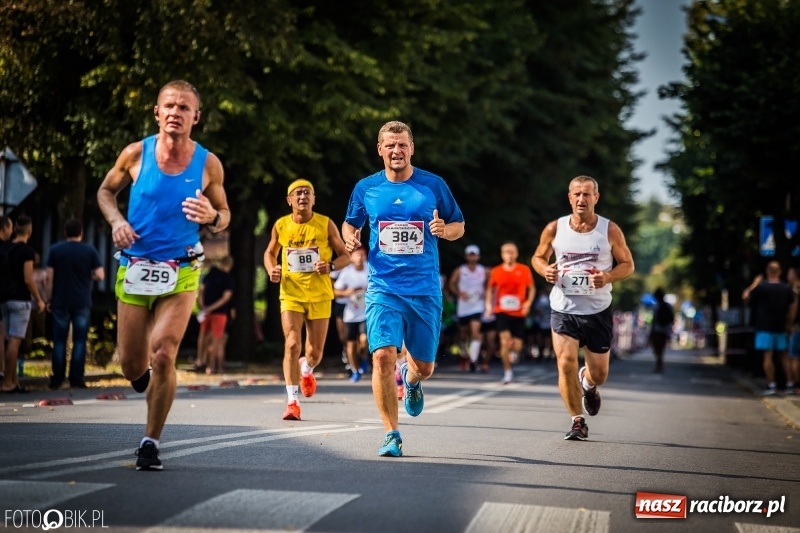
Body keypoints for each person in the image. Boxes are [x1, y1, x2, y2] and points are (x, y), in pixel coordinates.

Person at [97, 80, 230, 470]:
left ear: (196, 117)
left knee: (164, 352)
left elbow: (225, 215)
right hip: (135, 266)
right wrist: (116, 220)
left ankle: (150, 442)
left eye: (184, 107)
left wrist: (213, 217)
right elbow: (106, 192)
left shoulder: (208, 163)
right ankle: (144, 381)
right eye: (169, 106)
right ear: (157, 112)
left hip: (182, 269)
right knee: (132, 365)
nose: (175, 112)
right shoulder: (136, 153)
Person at [342, 120, 465, 457]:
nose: (396, 151)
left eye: (402, 145)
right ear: (380, 150)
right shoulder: (366, 188)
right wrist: (349, 238)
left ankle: (411, 380)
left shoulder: (432, 185)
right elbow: (349, 224)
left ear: (412, 148)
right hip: (383, 287)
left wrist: (444, 229)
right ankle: (391, 434)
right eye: (390, 145)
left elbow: (459, 225)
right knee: (382, 356)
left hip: (424, 288)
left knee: (424, 366)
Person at [531, 175, 635, 441]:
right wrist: (546, 271)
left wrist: (608, 277)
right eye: (577, 194)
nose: (581, 199)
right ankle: (578, 421)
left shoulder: (609, 230)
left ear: (596, 198)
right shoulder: (555, 228)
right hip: (563, 307)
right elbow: (538, 257)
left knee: (599, 373)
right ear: (569, 197)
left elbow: (628, 264)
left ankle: (588, 383)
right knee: (564, 361)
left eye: (587, 194)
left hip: (598, 310)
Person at [264, 178, 350, 421]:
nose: (302, 197)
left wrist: (331, 265)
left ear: (314, 199)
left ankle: (307, 368)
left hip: (320, 294)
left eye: (307, 193)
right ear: (289, 200)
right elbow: (270, 253)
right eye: (298, 193)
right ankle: (292, 402)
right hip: (290, 293)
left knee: (314, 352)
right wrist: (272, 269)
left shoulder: (325, 224)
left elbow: (345, 255)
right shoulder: (281, 225)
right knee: (292, 344)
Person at [45, 218, 105, 390]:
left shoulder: (56, 250)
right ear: (81, 233)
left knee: (59, 341)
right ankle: (76, 379)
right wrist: (88, 276)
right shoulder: (89, 250)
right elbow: (100, 275)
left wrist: (49, 298)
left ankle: (57, 379)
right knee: (79, 341)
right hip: (82, 301)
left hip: (60, 301)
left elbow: (49, 277)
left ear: (66, 233)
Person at [1, 215, 46, 393]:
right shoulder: (26, 251)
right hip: (20, 300)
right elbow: (28, 279)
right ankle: (8, 383)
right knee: (15, 340)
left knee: (7, 339)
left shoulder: (7, 248)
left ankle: (12, 380)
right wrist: (39, 299)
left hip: (5, 299)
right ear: (30, 230)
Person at [742, 261, 796, 396]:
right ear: (779, 272)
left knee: (768, 356)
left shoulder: (761, 288)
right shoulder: (786, 288)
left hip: (764, 327)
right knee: (784, 356)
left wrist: (755, 283)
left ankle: (772, 384)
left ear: (767, 272)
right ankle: (790, 384)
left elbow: (745, 296)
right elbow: (792, 306)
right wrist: (789, 322)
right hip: (781, 326)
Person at [485, 242, 535, 384]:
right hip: (502, 311)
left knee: (517, 346)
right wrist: (489, 306)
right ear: (502, 254)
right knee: (505, 342)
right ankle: (507, 373)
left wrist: (528, 303)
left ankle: (513, 352)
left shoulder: (524, 270)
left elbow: (531, 288)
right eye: (507, 252)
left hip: (519, 313)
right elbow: (489, 290)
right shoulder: (496, 271)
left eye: (512, 252)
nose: (510, 254)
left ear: (517, 254)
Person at [447, 244, 487, 372]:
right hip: (464, 306)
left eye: (474, 254)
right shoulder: (460, 270)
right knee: (463, 334)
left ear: (478, 256)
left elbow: (491, 285)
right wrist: (459, 293)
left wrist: (486, 293)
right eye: (470, 254)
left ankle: (473, 359)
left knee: (475, 331)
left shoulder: (484, 270)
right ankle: (464, 354)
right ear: (466, 256)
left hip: (477, 305)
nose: (472, 257)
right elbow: (451, 284)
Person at [333, 248, 369, 382]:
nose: (359, 258)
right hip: (351, 313)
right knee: (350, 343)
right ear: (351, 257)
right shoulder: (346, 272)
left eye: (362, 255)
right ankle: (355, 369)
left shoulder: (370, 269)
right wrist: (348, 293)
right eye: (357, 255)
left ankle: (363, 357)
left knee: (364, 340)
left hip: (366, 312)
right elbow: (335, 291)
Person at [197, 256, 234, 375]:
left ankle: (201, 360)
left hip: (206, 311)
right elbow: (226, 298)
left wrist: (203, 306)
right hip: (220, 313)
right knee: (217, 341)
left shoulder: (208, 275)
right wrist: (212, 308)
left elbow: (201, 291)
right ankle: (214, 367)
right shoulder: (228, 278)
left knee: (203, 336)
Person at [0, 215, 15, 385]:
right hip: (5, 296)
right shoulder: (7, 250)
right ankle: (4, 374)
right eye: (10, 227)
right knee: (5, 336)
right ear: (4, 228)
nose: (12, 231)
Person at [648, 287, 674, 374]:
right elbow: (672, 319)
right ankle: (660, 364)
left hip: (657, 331)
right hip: (665, 330)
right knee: (661, 349)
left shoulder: (656, 306)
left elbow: (654, 321)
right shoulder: (668, 306)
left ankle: (659, 364)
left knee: (657, 349)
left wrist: (651, 333)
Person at [787, 266, 800, 395]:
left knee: (795, 357)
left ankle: (797, 385)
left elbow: (794, 307)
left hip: (797, 328)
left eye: (789, 273)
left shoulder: (795, 289)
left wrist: (790, 323)